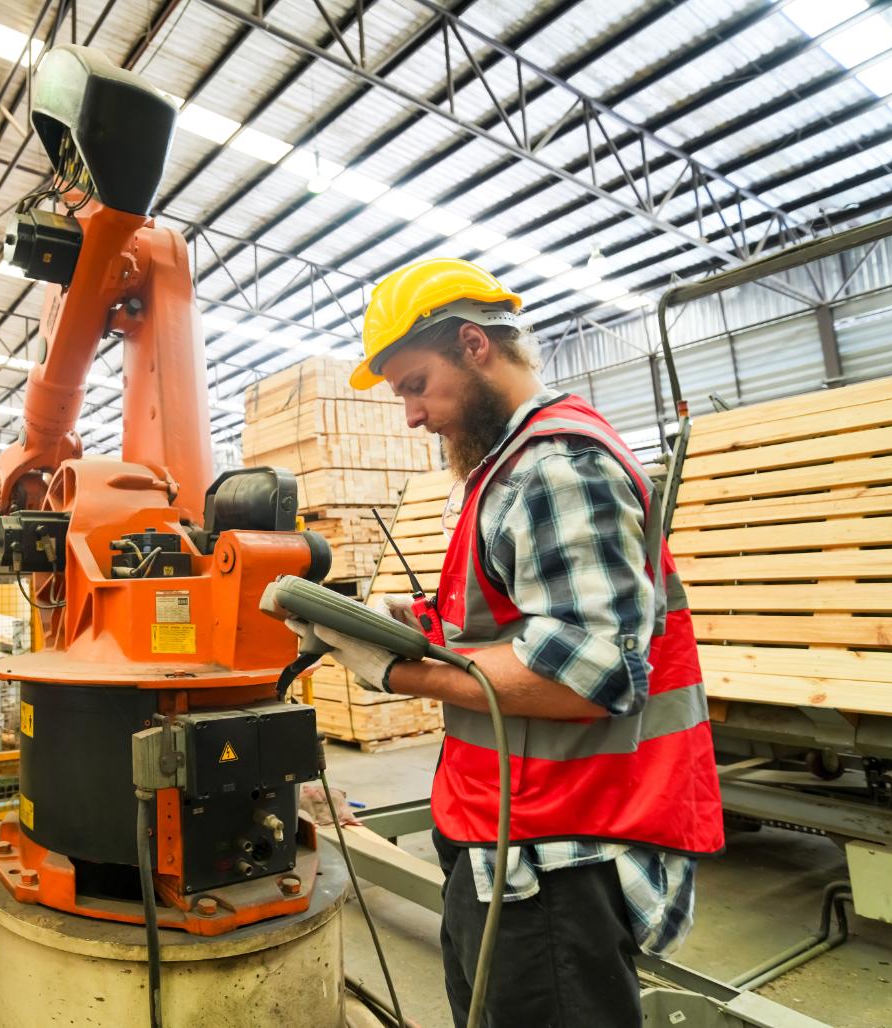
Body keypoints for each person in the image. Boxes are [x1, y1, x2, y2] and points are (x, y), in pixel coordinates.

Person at [296, 258, 724, 1027]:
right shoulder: (505, 472)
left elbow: (590, 673)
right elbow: (505, 625)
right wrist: (402, 621)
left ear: (473, 345)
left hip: (561, 853)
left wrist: (400, 671)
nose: (412, 417)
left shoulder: (555, 469)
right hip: (506, 833)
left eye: (416, 385)